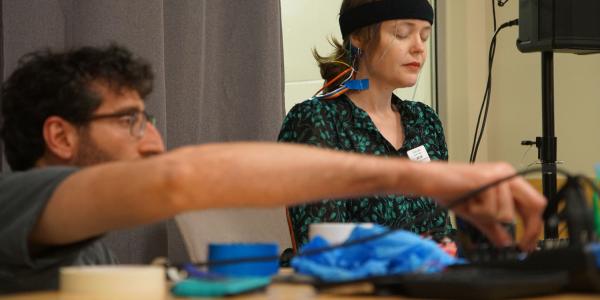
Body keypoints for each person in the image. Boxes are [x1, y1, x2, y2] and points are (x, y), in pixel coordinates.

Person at [0, 44, 544, 292]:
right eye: (131, 121)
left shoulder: (86, 244)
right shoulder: (16, 201)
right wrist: (422, 176)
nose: (154, 142)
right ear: (61, 136)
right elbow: (177, 179)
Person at [279, 0, 452, 247]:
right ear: (359, 37)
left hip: (433, 283)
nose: (419, 48)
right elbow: (324, 247)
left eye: (424, 37)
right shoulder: (318, 121)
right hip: (356, 284)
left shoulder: (425, 121)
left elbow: (443, 232)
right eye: (402, 34)